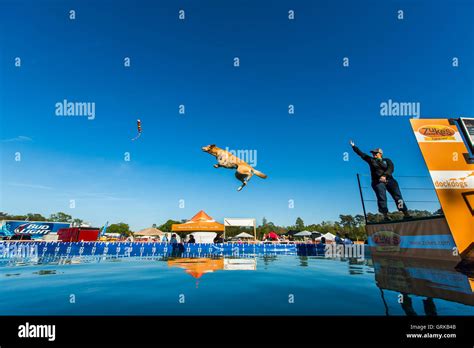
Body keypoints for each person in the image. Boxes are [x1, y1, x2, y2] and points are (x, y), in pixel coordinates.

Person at [350, 140, 411, 221]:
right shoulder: (371, 160)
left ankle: (405, 213)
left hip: (390, 180)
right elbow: (362, 154)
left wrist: (385, 176)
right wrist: (354, 146)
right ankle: (385, 216)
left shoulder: (387, 160)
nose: (374, 154)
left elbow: (391, 168)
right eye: (373, 153)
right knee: (381, 197)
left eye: (376, 153)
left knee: (398, 196)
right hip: (377, 182)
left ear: (380, 154)